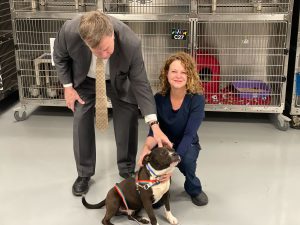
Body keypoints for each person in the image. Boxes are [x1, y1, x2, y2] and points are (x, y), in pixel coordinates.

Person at [53, 10, 172, 196]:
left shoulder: (131, 42)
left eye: (107, 49)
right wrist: (68, 87)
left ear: (112, 35)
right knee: (81, 118)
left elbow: (141, 84)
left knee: (128, 117)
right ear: (85, 42)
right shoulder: (69, 31)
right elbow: (59, 57)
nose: (104, 55)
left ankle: (126, 168)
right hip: (84, 81)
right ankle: (84, 174)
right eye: (97, 51)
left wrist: (154, 124)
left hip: (119, 80)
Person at [138, 52, 208, 206]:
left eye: (184, 72)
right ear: (166, 73)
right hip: (163, 144)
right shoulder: (158, 99)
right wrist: (146, 148)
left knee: (187, 162)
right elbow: (153, 131)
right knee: (154, 199)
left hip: (187, 143)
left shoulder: (197, 99)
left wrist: (171, 166)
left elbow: (190, 134)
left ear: (190, 76)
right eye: (174, 71)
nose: (178, 76)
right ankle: (158, 189)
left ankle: (193, 188)